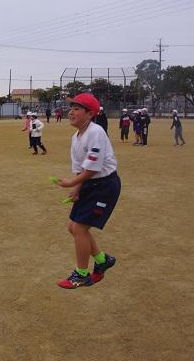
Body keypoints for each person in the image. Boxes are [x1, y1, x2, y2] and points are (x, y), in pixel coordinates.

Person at [54, 93, 120, 289]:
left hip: (104, 186)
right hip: (90, 185)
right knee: (72, 227)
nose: (71, 112)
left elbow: (92, 169)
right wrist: (77, 188)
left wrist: (71, 183)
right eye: (71, 108)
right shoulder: (76, 137)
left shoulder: (96, 132)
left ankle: (81, 274)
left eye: (77, 109)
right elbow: (80, 167)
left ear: (90, 114)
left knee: (80, 228)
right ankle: (102, 260)